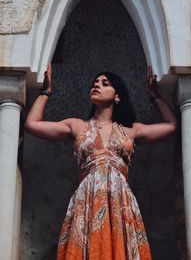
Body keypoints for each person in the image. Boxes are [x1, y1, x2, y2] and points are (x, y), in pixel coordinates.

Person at [25, 64, 177, 260]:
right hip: (87, 201)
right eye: (94, 83)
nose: (96, 85)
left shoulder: (131, 130)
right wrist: (46, 91)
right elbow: (32, 124)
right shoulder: (77, 125)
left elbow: (171, 125)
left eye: (105, 83)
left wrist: (155, 96)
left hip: (119, 203)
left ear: (117, 96)